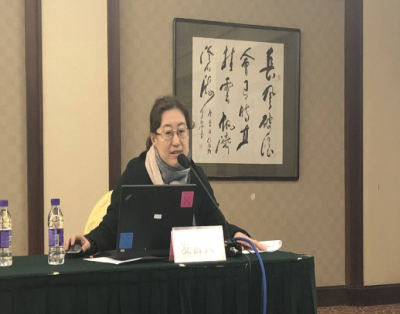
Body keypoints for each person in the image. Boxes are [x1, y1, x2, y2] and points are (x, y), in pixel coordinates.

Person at [65, 95, 265, 255]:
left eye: (182, 131)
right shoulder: (136, 172)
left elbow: (214, 222)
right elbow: (112, 227)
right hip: (144, 275)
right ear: (154, 138)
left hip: (189, 273)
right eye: (168, 133)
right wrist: (90, 241)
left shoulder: (196, 174)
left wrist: (236, 234)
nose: (176, 141)